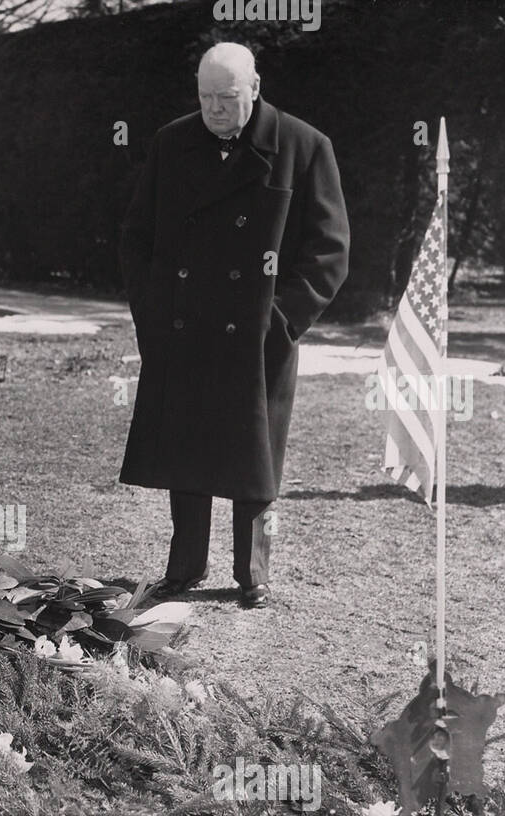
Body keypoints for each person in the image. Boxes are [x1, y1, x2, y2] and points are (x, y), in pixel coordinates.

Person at [118, 42, 350, 609]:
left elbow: (329, 252)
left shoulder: (304, 146)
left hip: (258, 336)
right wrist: (153, 315)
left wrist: (280, 320)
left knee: (257, 457)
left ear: (255, 87)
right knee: (187, 449)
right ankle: (184, 566)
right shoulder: (172, 142)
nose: (215, 109)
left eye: (227, 97)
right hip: (185, 327)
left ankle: (254, 574)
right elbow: (137, 239)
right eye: (205, 97)